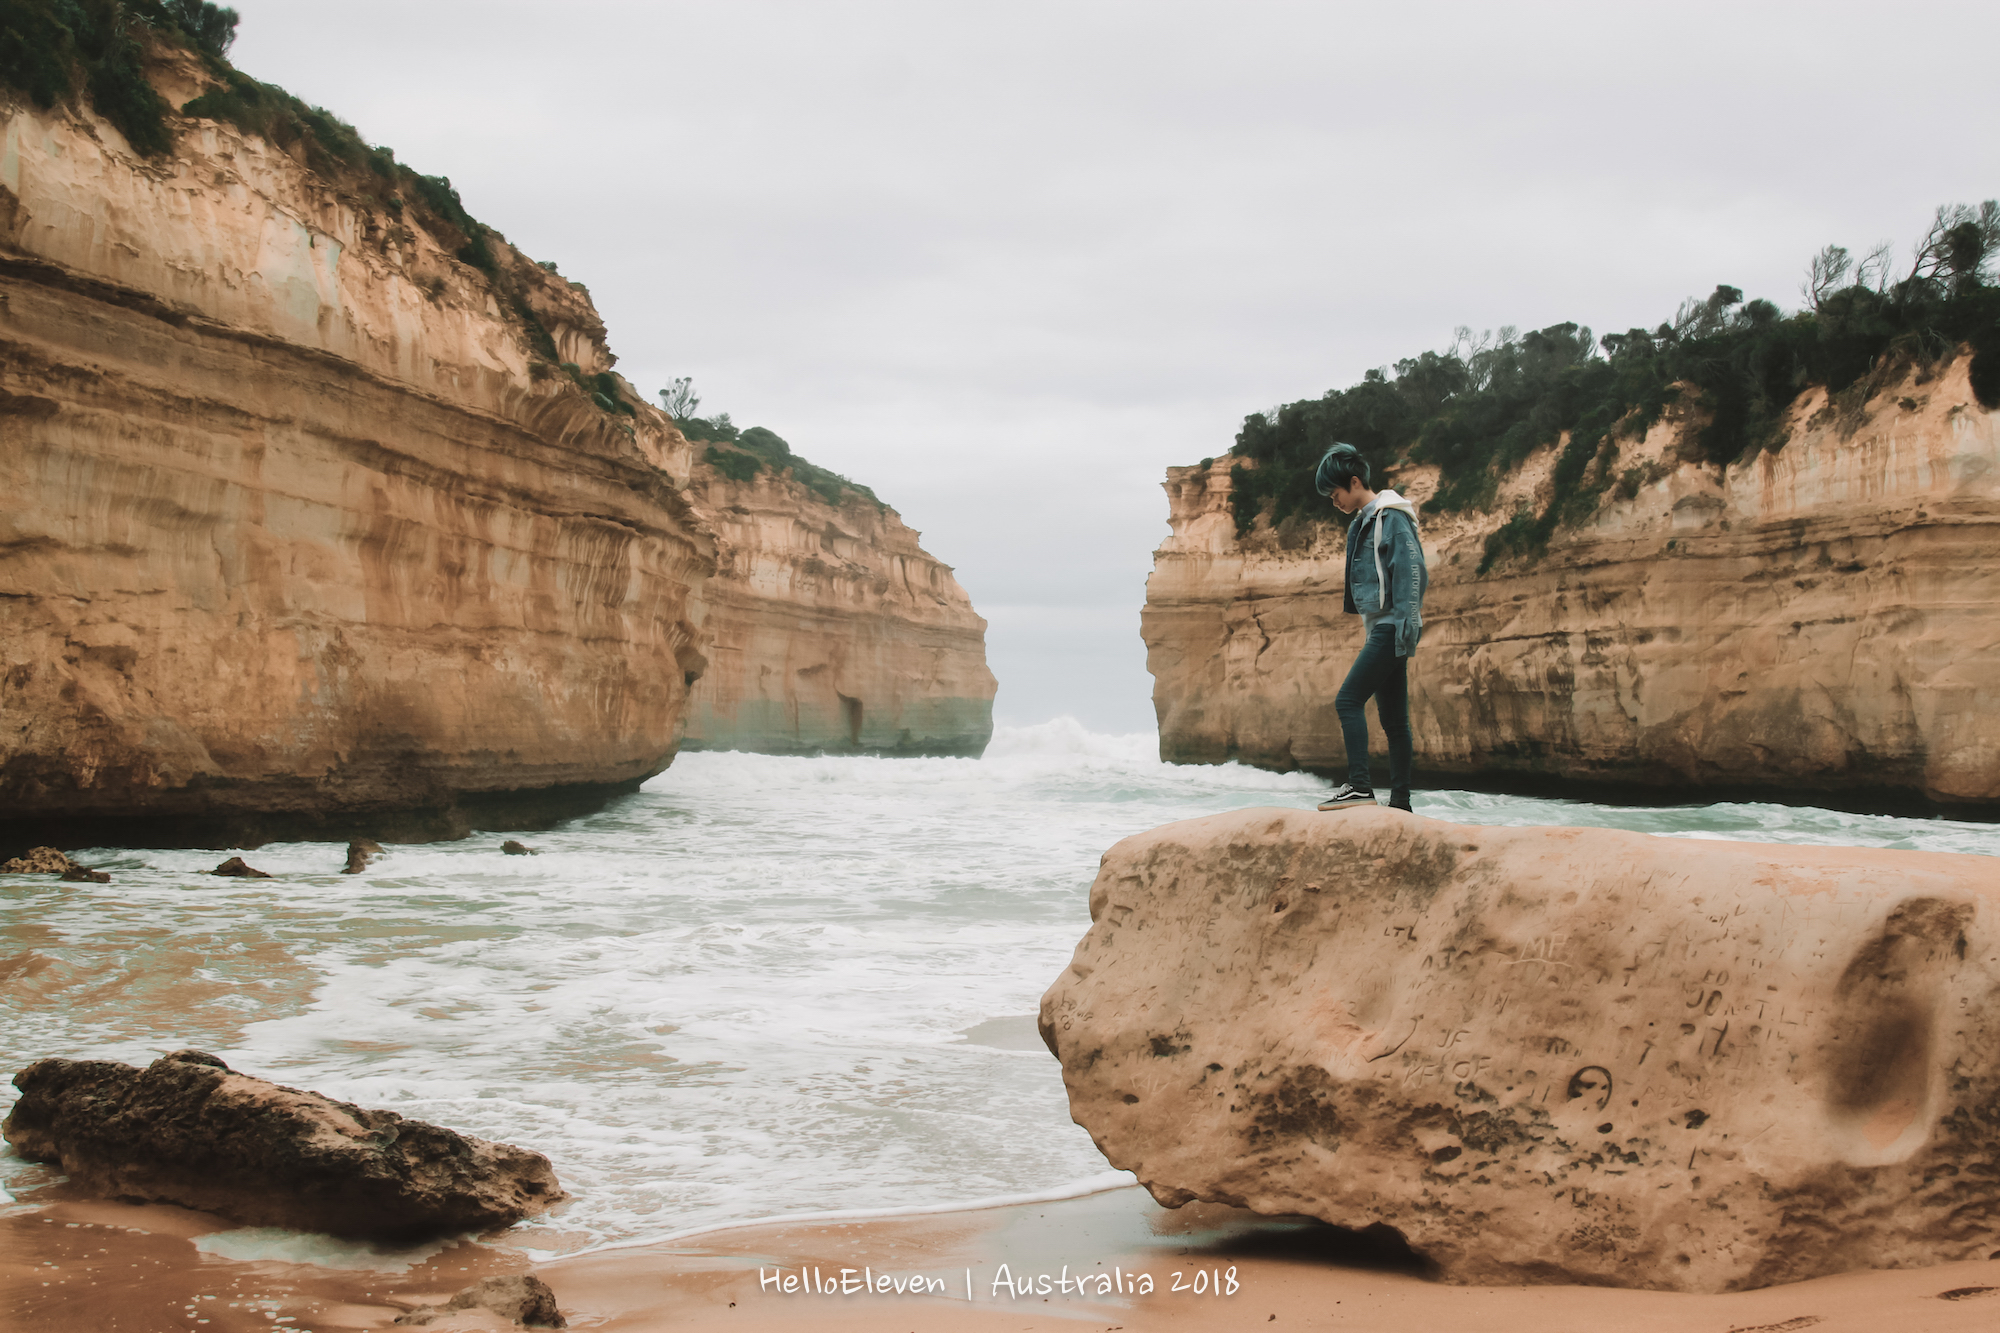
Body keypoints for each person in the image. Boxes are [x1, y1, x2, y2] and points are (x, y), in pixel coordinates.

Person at [1312, 443, 1427, 813]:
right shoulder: (1365, 521)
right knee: (1395, 721)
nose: (1335, 503)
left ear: (1355, 481)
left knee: (1348, 700)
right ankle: (1401, 803)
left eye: (1336, 494)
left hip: (1393, 627)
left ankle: (1360, 786)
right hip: (1384, 626)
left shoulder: (1390, 516)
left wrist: (1406, 622)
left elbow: (1412, 570)